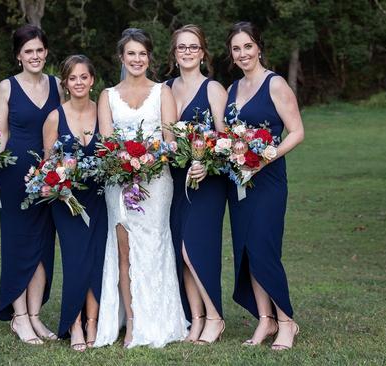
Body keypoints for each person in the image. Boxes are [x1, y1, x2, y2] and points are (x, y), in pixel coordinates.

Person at [93, 28, 188, 349]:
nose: (137, 59)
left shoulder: (163, 92)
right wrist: (124, 163)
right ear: (122, 57)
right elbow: (106, 145)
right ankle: (132, 322)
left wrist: (148, 159)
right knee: (124, 250)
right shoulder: (106, 95)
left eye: (142, 54)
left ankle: (158, 318)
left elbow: (171, 142)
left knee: (154, 245)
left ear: (150, 57)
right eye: (131, 53)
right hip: (118, 183)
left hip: (156, 181)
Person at [224, 21, 304, 351]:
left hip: (268, 180)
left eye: (247, 46)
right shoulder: (231, 89)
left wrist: (267, 156)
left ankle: (286, 322)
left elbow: (297, 131)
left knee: (264, 248)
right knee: (245, 249)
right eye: (236, 48)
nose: (242, 53)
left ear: (259, 47)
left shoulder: (275, 84)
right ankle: (265, 320)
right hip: (238, 183)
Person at [0, 24, 63, 345]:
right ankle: (19, 317)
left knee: (43, 247)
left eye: (39, 50)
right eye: (28, 52)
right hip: (14, 176)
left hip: (48, 178)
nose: (34, 56)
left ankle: (35, 315)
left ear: (46, 52)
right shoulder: (6, 87)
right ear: (18, 56)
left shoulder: (58, 85)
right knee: (18, 245)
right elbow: (1, 133)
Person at [164, 24, 228, 344]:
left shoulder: (213, 89)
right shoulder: (164, 88)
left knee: (195, 250)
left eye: (193, 47)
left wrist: (207, 161)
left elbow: (226, 138)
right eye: (181, 47)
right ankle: (196, 318)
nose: (187, 52)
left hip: (207, 182)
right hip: (174, 182)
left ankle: (215, 316)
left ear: (202, 53)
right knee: (180, 252)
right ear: (174, 54)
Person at [42, 55, 107, 352]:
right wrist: (57, 183)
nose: (78, 82)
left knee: (96, 260)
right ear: (65, 84)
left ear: (92, 80)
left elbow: (111, 152)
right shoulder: (55, 117)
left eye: (84, 77)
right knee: (75, 260)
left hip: (98, 198)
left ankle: (93, 322)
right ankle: (74, 322)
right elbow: (48, 165)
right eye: (72, 78)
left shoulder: (102, 111)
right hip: (68, 202)